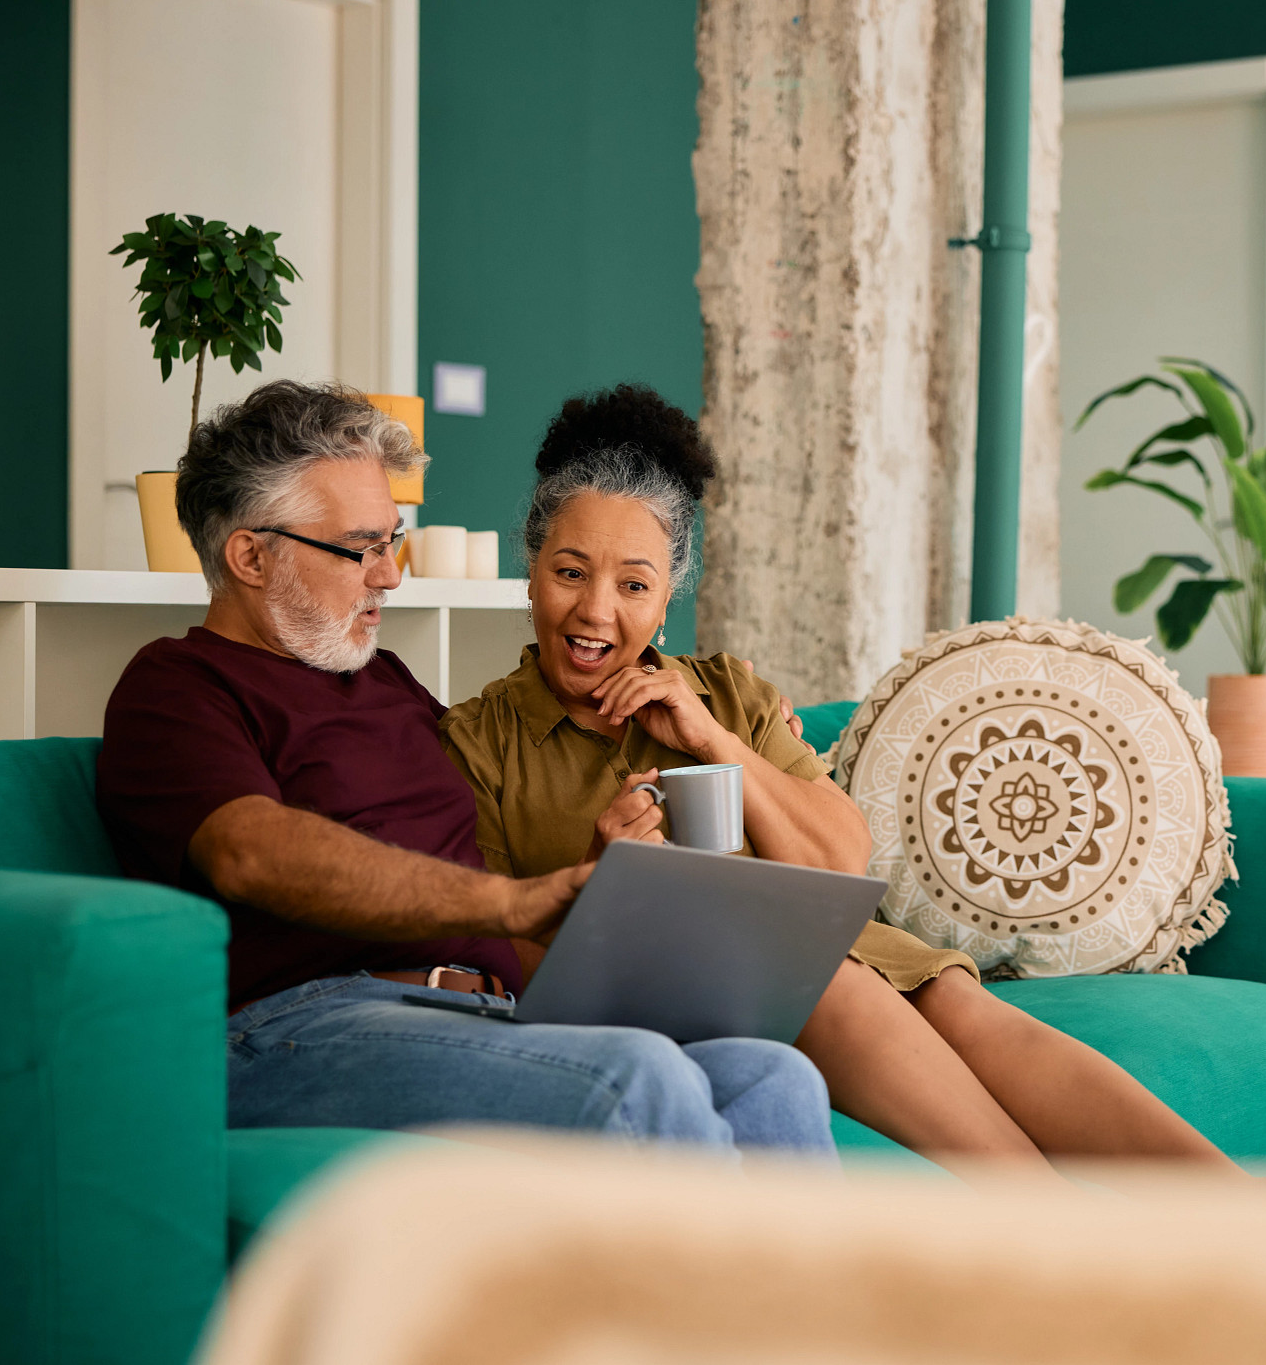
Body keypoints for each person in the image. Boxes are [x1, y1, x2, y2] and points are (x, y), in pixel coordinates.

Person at [439, 384, 1266, 1182]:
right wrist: (603, 880)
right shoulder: (478, 740)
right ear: (531, 571)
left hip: (812, 956)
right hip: (635, 1001)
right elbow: (491, 950)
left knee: (951, 997)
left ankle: (1242, 1209)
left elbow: (842, 855)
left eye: (633, 585)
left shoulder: (723, 692)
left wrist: (715, 740)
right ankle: (1071, 1243)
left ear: (669, 592)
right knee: (831, 984)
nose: (597, 610)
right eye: (570, 572)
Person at [95, 379, 834, 1157]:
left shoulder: (384, 683)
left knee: (771, 1077)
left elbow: (476, 828)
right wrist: (510, 903)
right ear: (250, 554)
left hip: (483, 1014)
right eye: (361, 549)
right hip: (294, 1026)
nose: (390, 575)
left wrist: (610, 853)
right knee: (637, 1077)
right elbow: (250, 851)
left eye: (393, 541)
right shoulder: (176, 687)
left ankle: (820, 1286)